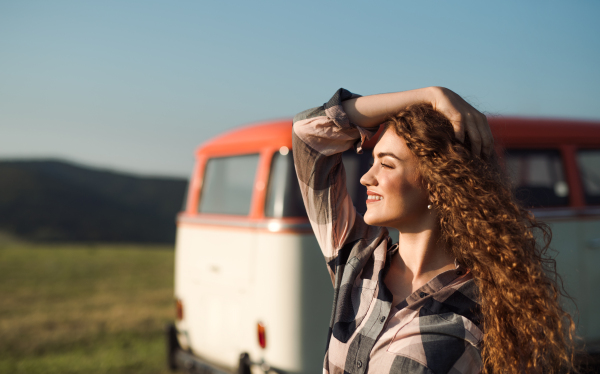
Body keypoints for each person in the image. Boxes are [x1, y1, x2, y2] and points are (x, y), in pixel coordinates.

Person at [292, 87, 576, 374]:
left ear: (438, 185)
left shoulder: (482, 308)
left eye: (387, 164)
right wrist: (430, 95)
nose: (367, 177)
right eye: (372, 161)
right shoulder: (358, 259)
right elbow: (309, 135)